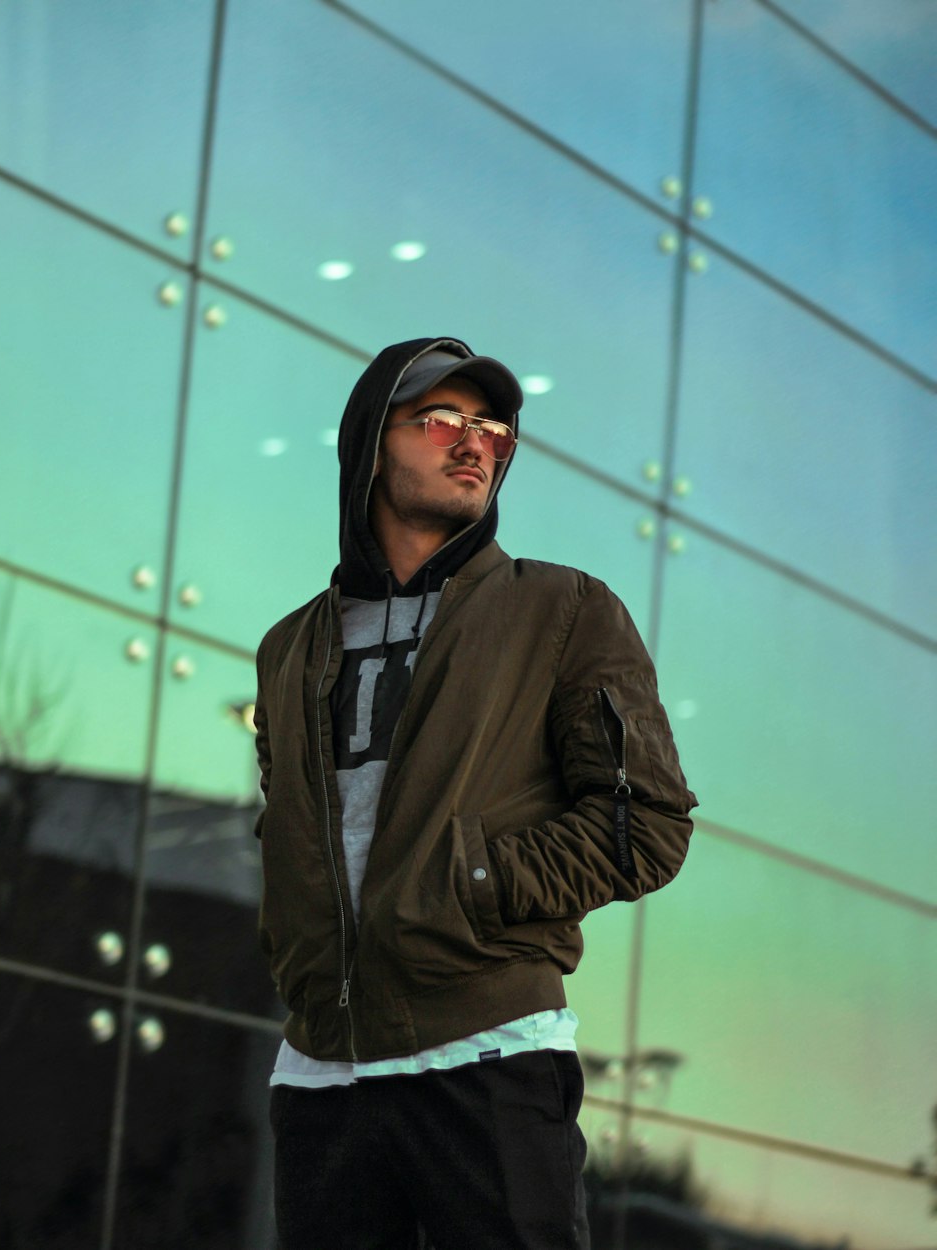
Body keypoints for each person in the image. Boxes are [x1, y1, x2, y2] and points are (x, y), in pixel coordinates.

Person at [253, 336, 697, 1249]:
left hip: (485, 1054)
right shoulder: (289, 647)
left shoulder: (563, 610)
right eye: (442, 420)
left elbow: (646, 825)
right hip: (319, 1074)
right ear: (372, 443)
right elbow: (290, 829)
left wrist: (474, 884)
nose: (475, 445)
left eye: (493, 429)